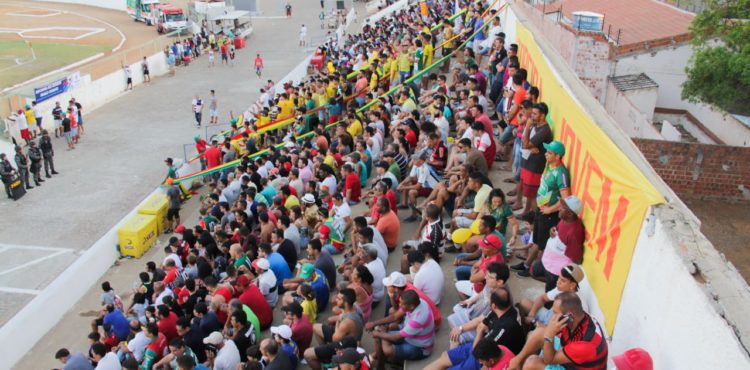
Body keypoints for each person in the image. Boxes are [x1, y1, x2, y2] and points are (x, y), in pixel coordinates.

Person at [508, 293, 608, 370]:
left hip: (576, 366)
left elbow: (549, 360)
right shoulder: (579, 316)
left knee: (532, 363)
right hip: (575, 356)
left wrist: (549, 336)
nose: (552, 317)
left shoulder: (585, 344)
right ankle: (517, 361)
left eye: (555, 313)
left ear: (569, 316)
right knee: (537, 333)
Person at [371, 290, 434, 365]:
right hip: (411, 337)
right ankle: (379, 360)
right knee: (384, 335)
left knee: (387, 349)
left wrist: (378, 334)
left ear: (411, 306)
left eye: (402, 303)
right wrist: (373, 323)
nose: (399, 304)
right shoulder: (418, 302)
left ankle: (380, 363)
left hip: (420, 348)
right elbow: (395, 316)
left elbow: (395, 337)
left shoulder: (418, 319)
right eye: (400, 301)